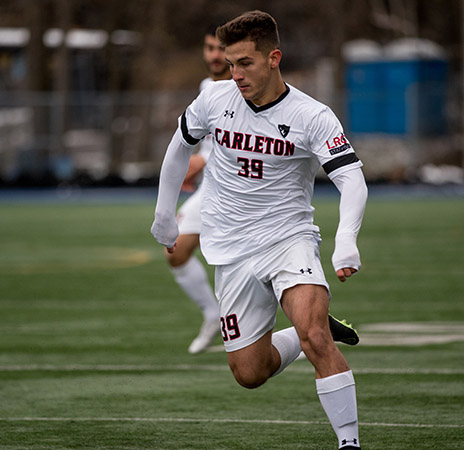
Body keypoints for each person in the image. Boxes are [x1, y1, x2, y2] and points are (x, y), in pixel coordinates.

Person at [151, 11, 366, 450]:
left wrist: (346, 240)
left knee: (315, 335)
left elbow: (351, 179)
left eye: (245, 62)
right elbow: (178, 148)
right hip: (230, 248)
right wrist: (164, 213)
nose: (236, 74)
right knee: (250, 373)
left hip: (289, 239)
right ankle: (304, 332)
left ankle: (349, 443)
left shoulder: (312, 115)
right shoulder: (215, 99)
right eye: (230, 63)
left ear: (274, 57)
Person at [165, 27, 231, 354]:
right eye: (209, 48)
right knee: (176, 251)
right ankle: (212, 313)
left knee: (253, 264)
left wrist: (200, 162)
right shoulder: (207, 87)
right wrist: (195, 164)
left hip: (240, 190)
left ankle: (308, 323)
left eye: (221, 48)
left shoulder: (245, 87)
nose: (215, 55)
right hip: (211, 190)